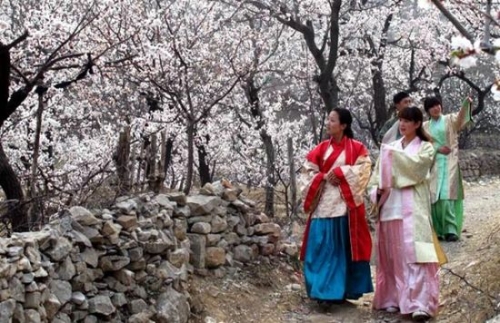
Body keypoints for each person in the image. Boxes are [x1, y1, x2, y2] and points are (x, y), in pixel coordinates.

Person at [370, 107, 445, 322]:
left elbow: (417, 169)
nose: (402, 124)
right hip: (390, 207)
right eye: (401, 120)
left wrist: (391, 159)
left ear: (417, 124)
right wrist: (376, 191)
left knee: (415, 256)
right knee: (393, 257)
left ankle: (420, 303)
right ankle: (393, 298)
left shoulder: (426, 148)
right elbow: (375, 179)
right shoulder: (390, 148)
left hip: (413, 209)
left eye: (408, 121)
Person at [299, 108, 373, 304]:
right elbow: (307, 172)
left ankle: (338, 292)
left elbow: (365, 170)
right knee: (319, 248)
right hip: (323, 203)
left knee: (341, 250)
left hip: (344, 204)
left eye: (333, 120)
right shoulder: (321, 148)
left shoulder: (357, 148)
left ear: (344, 125)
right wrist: (322, 177)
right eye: (328, 120)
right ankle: (321, 291)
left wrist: (341, 173)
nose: (328, 123)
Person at [423, 96, 472, 242]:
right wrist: (437, 148)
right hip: (435, 163)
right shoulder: (425, 126)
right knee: (434, 198)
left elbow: (460, 119)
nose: (436, 108)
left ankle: (451, 229)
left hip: (450, 162)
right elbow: (423, 144)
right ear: (428, 110)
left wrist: (465, 105)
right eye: (432, 106)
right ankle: (438, 230)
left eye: (437, 105)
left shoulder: (450, 119)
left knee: (446, 196)